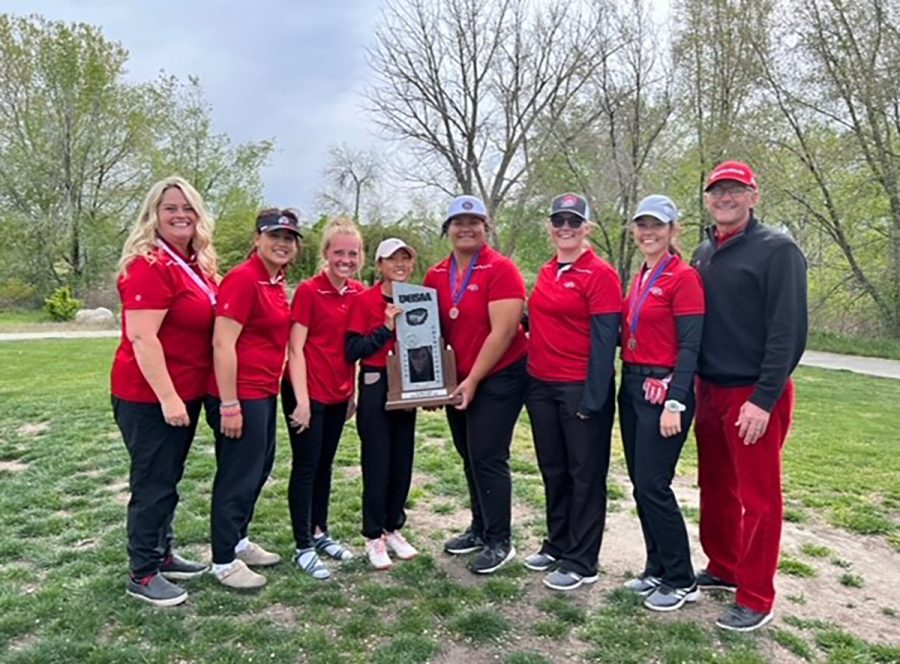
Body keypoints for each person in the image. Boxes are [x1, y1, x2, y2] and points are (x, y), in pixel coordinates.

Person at [691, 161, 807, 631]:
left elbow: (789, 331)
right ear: (707, 198)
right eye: (717, 190)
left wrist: (763, 398)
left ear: (753, 196)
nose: (725, 197)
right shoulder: (704, 251)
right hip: (709, 388)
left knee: (759, 499)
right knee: (716, 487)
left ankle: (756, 596)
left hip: (754, 392)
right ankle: (725, 566)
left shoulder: (777, 251)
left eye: (735, 190)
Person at [112, 176, 218, 607]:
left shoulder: (191, 263)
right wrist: (169, 398)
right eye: (170, 207)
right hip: (148, 395)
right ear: (153, 215)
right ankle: (142, 572)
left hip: (185, 391)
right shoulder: (149, 264)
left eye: (187, 208)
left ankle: (163, 553)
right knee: (152, 482)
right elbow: (143, 339)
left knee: (168, 480)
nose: (180, 215)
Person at [424, 195, 528, 575]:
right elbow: (429, 332)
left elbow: (502, 333)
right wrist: (433, 384)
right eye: (458, 221)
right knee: (469, 454)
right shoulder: (435, 274)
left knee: (487, 455)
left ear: (487, 227)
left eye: (474, 221)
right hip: (459, 379)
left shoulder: (502, 269)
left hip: (500, 374)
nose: (466, 228)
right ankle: (480, 528)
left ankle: (500, 540)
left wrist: (472, 380)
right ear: (447, 229)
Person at [524, 193, 622, 591]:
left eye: (573, 221)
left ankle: (583, 560)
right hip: (542, 385)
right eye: (559, 221)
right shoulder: (548, 270)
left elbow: (604, 342)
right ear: (550, 226)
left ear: (587, 229)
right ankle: (558, 542)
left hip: (580, 387)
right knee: (554, 469)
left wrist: (594, 398)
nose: (565, 228)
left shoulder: (601, 274)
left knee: (585, 474)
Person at [618, 195, 705, 610]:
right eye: (642, 225)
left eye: (657, 225)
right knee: (641, 485)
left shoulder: (683, 277)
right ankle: (656, 568)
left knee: (655, 485)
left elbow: (690, 347)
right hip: (632, 385)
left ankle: (682, 578)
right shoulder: (642, 274)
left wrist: (676, 402)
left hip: (662, 391)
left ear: (673, 230)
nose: (648, 232)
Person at [207, 209, 300, 589]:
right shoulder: (244, 279)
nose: (282, 243)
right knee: (238, 476)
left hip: (263, 391)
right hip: (239, 394)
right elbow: (222, 342)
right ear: (257, 239)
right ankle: (223, 560)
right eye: (274, 235)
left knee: (259, 469)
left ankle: (239, 541)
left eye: (290, 238)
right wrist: (229, 403)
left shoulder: (274, 281)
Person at [284, 218, 365, 579]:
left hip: (338, 392)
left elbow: (353, 350)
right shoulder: (309, 291)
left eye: (352, 253)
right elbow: (295, 349)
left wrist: (354, 391)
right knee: (306, 466)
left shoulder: (358, 293)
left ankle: (320, 532)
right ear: (326, 254)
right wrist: (301, 401)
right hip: (307, 392)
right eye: (338, 252)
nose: (345, 259)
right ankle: (303, 545)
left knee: (325, 465)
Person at [345, 238, 420, 570]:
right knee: (377, 460)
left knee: (402, 459)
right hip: (376, 381)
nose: (400, 264)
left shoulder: (419, 297)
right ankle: (373, 535)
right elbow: (353, 349)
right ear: (380, 266)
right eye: (393, 260)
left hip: (409, 382)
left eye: (405, 259)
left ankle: (393, 527)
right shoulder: (364, 301)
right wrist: (385, 328)